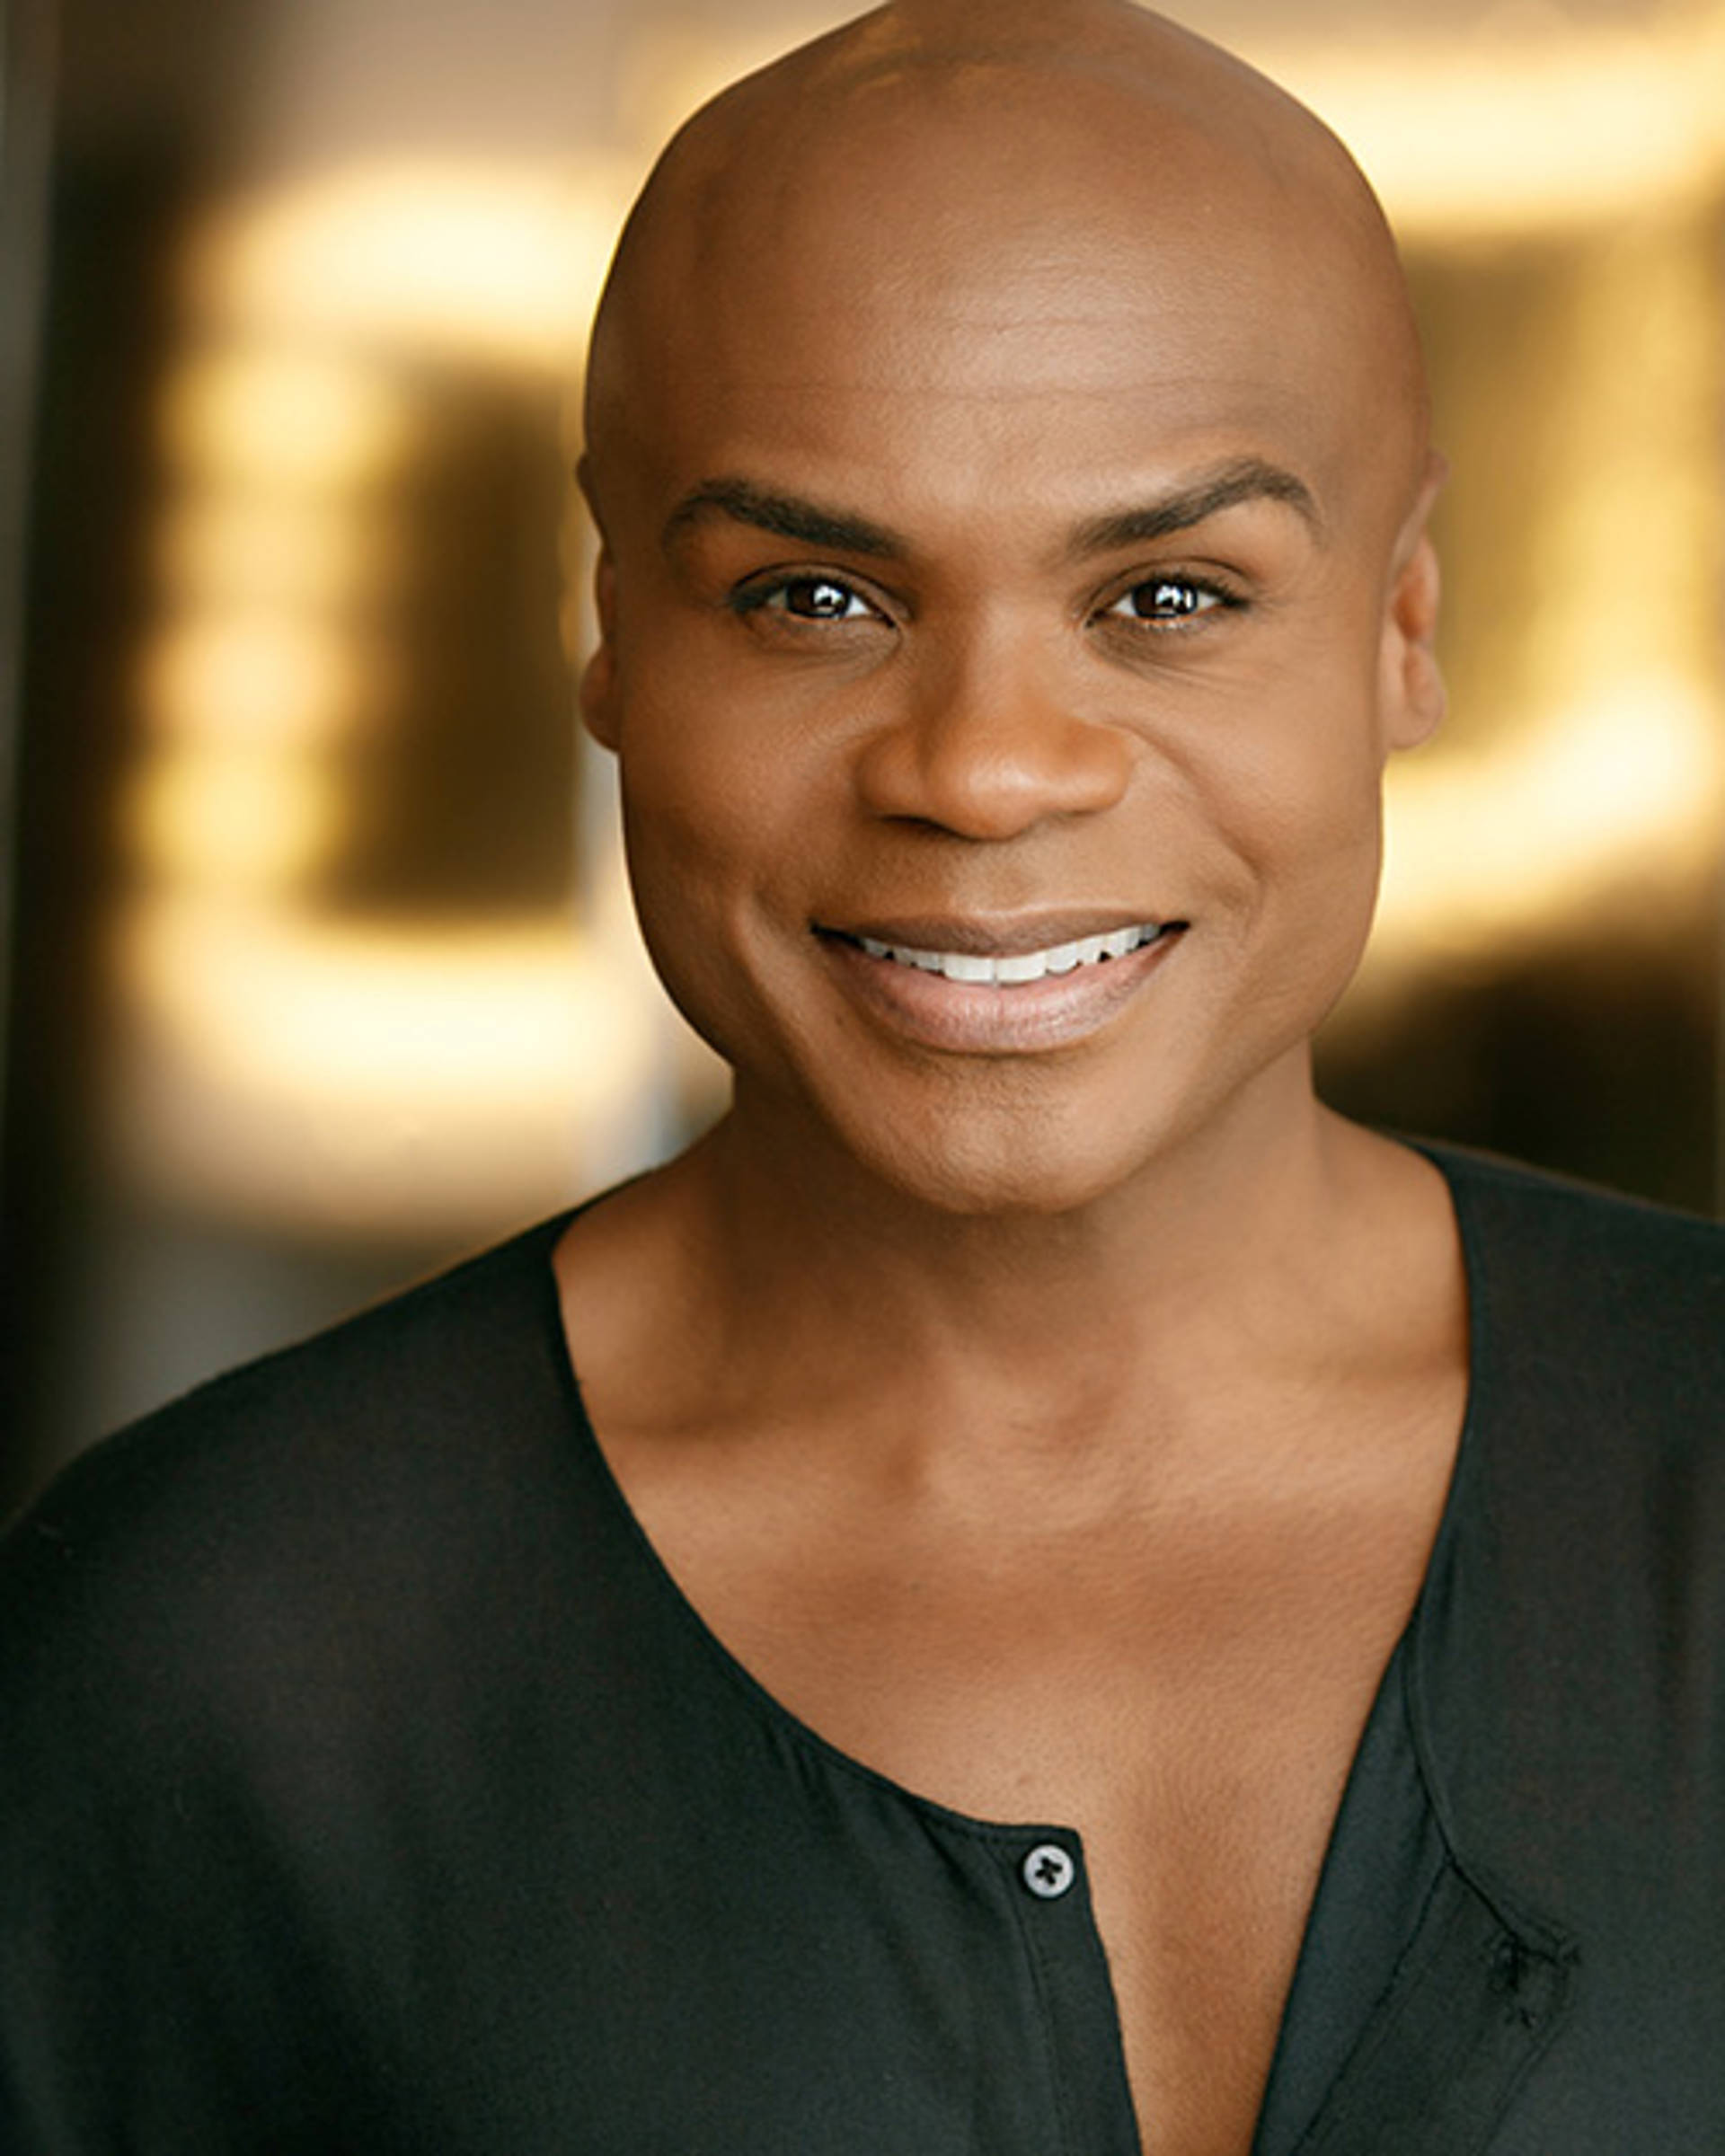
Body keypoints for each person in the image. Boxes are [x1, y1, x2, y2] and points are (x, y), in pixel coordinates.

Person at [2, 2, 1721, 2150]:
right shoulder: (208, 1660)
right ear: (611, 627)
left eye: (1168, 593)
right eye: (814, 594)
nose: (986, 771)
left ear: (1401, 625)